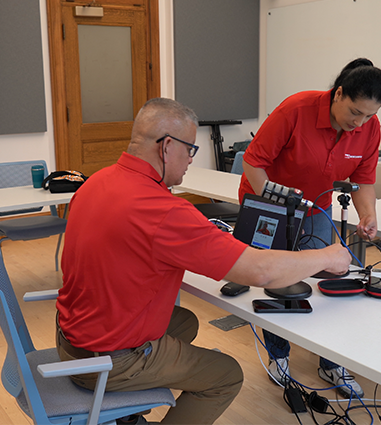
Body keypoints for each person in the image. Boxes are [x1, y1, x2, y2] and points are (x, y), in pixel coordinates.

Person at [55, 97, 351, 425]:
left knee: (185, 322)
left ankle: (128, 412)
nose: (191, 160)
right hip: (107, 361)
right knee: (226, 375)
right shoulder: (163, 210)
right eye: (190, 150)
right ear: (167, 147)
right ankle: (131, 388)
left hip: (71, 338)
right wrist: (328, 255)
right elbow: (261, 272)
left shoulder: (96, 181)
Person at [238, 58, 381, 398]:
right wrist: (276, 206)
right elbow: (253, 162)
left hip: (316, 205)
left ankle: (331, 360)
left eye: (369, 116)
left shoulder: (369, 127)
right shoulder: (295, 110)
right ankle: (279, 355)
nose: (359, 123)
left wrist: (368, 215)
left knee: (328, 279)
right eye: (355, 112)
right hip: (270, 202)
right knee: (279, 279)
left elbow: (363, 179)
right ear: (338, 94)